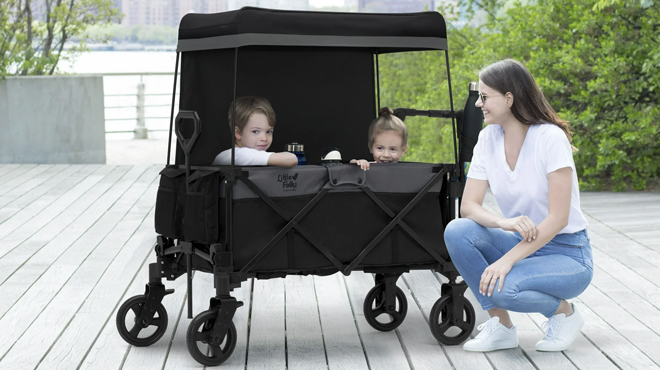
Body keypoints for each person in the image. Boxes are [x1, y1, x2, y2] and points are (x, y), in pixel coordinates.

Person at [444, 59, 592, 352]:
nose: (478, 104)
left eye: (484, 97)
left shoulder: (550, 138)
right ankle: (501, 327)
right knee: (458, 231)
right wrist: (504, 222)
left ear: (509, 98)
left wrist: (506, 260)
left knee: (503, 286)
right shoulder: (487, 138)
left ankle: (564, 313)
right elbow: (469, 207)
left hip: (568, 253)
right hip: (521, 240)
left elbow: (559, 218)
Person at [212, 96, 298, 167]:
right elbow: (291, 159)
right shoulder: (233, 156)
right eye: (256, 131)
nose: (264, 138)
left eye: (269, 132)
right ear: (237, 133)